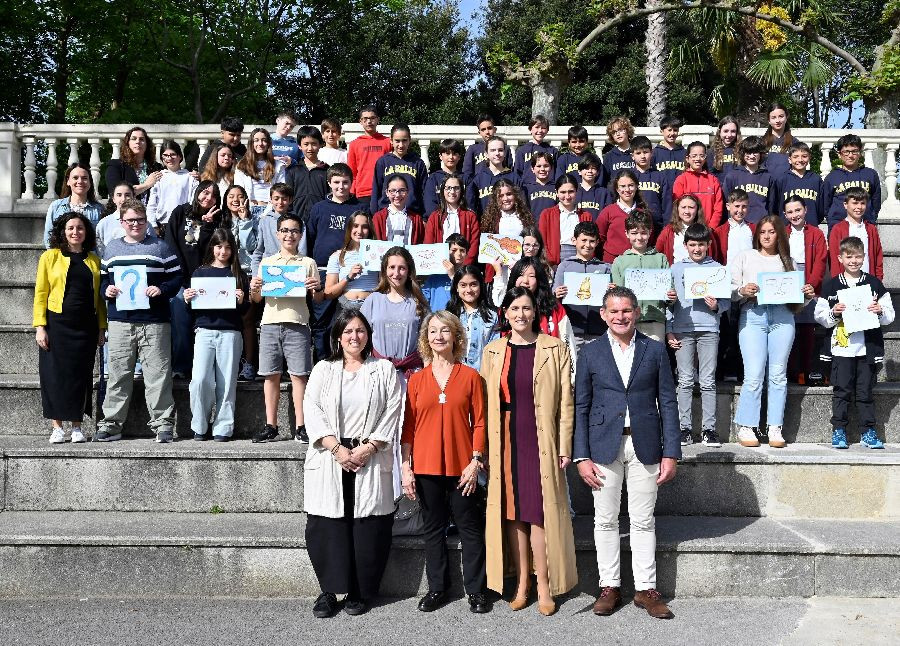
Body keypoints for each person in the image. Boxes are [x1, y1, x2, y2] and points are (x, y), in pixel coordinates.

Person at [574, 286, 680, 620]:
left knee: (643, 519)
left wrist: (671, 451)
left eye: (626, 311)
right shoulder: (590, 353)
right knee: (605, 519)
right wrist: (581, 456)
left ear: (636, 312)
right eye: (614, 311)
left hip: (645, 444)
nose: (620, 317)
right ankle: (609, 586)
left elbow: (668, 402)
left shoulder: (655, 350)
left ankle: (646, 589)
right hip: (602, 445)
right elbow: (581, 406)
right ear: (604, 315)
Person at [481, 287, 577, 616]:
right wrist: (483, 449)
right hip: (505, 437)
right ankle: (522, 582)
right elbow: (484, 404)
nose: (520, 314)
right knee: (513, 512)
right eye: (514, 308)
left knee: (538, 512)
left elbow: (566, 402)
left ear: (535, 312)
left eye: (526, 308)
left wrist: (565, 446)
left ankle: (544, 584)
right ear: (505, 313)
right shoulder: (493, 351)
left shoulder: (555, 347)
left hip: (540, 438)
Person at [303, 309, 401, 618]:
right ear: (338, 337)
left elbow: (393, 409)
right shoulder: (323, 369)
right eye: (348, 331)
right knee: (327, 524)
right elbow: (312, 408)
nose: (354, 336)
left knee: (368, 525)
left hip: (369, 453)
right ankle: (329, 590)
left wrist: (369, 447)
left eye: (360, 330)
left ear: (368, 335)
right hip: (331, 455)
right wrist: (336, 449)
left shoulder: (383, 369)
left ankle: (360, 590)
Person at [401, 310, 490, 614]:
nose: (438, 336)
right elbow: (408, 428)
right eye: (433, 331)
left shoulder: (470, 376)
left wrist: (475, 460)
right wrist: (406, 466)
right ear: (426, 339)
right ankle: (437, 588)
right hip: (426, 466)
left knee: (469, 527)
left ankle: (476, 590)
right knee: (433, 528)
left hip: (462, 466)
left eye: (445, 331)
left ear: (456, 336)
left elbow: (480, 422)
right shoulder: (416, 380)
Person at [96, 199, 182, 443]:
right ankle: (111, 424)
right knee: (118, 374)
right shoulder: (111, 248)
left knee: (158, 374)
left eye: (140, 220)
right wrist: (107, 290)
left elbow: (176, 278)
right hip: (120, 321)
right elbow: (103, 280)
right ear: (122, 222)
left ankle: (163, 424)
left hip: (155, 322)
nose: (136, 224)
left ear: (147, 221)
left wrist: (162, 289)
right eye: (131, 220)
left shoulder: (161, 247)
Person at [731, 215, 814, 448]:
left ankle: (775, 426)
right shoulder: (745, 257)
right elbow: (729, 289)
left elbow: (797, 303)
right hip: (753, 315)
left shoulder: (789, 261)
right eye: (762, 232)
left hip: (783, 317)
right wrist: (742, 290)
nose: (766, 236)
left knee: (778, 374)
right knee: (754, 373)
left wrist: (806, 296)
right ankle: (747, 425)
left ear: (779, 234)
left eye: (771, 231)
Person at [361, 247, 430, 496]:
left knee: (406, 430)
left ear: (409, 271)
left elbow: (427, 342)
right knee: (380, 428)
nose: (396, 273)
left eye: (402, 268)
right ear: (384, 270)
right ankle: (380, 491)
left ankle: (405, 489)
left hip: (410, 374)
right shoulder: (373, 300)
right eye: (392, 267)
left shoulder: (418, 303)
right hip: (379, 375)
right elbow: (361, 337)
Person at [250, 211, 323, 444]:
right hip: (270, 323)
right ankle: (271, 425)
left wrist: (317, 288)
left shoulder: (308, 263)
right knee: (270, 375)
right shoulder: (267, 262)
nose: (289, 235)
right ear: (277, 233)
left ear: (300, 235)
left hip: (298, 323)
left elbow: (318, 299)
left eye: (294, 231)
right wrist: (254, 288)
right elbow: (256, 299)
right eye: (285, 230)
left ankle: (301, 427)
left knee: (299, 376)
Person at [814, 236, 894, 450]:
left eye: (858, 257)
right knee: (841, 390)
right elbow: (820, 316)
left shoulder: (874, 284)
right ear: (840, 258)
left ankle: (868, 431)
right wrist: (833, 312)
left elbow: (890, 316)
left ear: (864, 257)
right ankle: (839, 430)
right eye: (849, 257)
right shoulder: (832, 285)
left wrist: (880, 311)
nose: (854, 261)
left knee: (865, 392)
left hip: (866, 349)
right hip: (842, 349)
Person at [34, 212, 106, 443]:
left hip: (85, 327)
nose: (76, 232)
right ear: (63, 232)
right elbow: (41, 293)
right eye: (71, 228)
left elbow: (99, 299)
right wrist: (40, 326)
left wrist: (101, 328)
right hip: (56, 325)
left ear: (86, 232)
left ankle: (77, 426)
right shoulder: (50, 257)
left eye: (80, 228)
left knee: (81, 376)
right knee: (54, 376)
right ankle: (57, 427)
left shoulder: (94, 260)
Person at [665, 223, 730, 447]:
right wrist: (669, 329)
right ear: (685, 245)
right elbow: (667, 304)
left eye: (701, 244)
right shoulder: (675, 269)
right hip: (682, 329)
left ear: (709, 244)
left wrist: (716, 306)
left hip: (709, 328)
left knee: (708, 380)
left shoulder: (718, 268)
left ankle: (709, 430)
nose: (697, 249)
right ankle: (684, 428)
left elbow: (726, 303)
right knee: (684, 380)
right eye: (692, 245)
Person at [183, 228, 248, 441]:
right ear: (212, 247)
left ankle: (223, 427)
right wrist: (187, 299)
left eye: (228, 247)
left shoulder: (238, 274)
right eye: (219, 246)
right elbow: (192, 310)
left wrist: (241, 300)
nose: (223, 251)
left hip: (230, 332)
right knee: (199, 380)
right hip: (204, 331)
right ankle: (199, 425)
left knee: (227, 383)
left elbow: (246, 311)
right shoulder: (200, 273)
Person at [307, 163, 368, 358]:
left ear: (352, 183)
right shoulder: (319, 208)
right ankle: (322, 360)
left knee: (351, 322)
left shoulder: (359, 207)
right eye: (336, 182)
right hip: (324, 269)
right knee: (321, 321)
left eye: (345, 182)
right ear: (329, 183)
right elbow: (310, 238)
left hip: (353, 271)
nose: (341, 186)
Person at [166, 181, 224, 378]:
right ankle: (181, 367)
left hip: (206, 282)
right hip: (181, 280)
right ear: (197, 192)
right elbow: (172, 243)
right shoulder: (181, 212)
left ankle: (205, 369)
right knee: (180, 320)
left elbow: (210, 252)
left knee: (205, 326)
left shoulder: (218, 219)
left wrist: (207, 226)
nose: (208, 198)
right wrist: (182, 277)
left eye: (214, 195)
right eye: (205, 192)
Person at [783, 196, 827, 384]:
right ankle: (791, 372)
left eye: (798, 210)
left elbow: (820, 261)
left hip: (808, 282)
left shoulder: (816, 233)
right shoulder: (782, 233)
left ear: (805, 210)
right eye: (790, 212)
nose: (794, 215)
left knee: (807, 328)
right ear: (785, 214)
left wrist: (811, 284)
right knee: (789, 327)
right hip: (787, 280)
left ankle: (806, 371)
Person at [712, 189, 755, 382]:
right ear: (728, 206)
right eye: (736, 206)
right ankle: (722, 372)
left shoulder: (752, 229)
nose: (740, 210)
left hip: (747, 289)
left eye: (744, 206)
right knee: (725, 329)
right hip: (726, 287)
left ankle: (741, 372)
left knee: (743, 330)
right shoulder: (719, 231)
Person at [611, 210, 670, 341]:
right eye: (634, 233)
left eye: (643, 233)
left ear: (650, 232)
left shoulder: (660, 258)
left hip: (655, 319)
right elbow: (618, 296)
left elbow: (669, 294)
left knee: (654, 353)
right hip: (628, 321)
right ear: (626, 233)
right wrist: (613, 291)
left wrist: (671, 296)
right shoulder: (619, 261)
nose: (639, 237)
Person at [507, 257, 576, 364]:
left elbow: (568, 344)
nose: (525, 281)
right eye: (521, 275)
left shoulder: (554, 308)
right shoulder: (506, 307)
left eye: (531, 276)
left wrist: (569, 372)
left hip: (549, 367)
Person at [552, 221, 611, 346]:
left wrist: (612, 291)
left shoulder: (604, 268)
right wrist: (556, 293)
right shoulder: (565, 266)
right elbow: (554, 293)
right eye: (583, 240)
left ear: (597, 242)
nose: (587, 245)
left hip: (598, 329)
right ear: (574, 240)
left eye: (592, 241)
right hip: (572, 328)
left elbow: (611, 301)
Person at [223, 184, 260, 381]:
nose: (235, 200)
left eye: (240, 196)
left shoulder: (254, 220)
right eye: (231, 196)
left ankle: (249, 363)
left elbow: (251, 246)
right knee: (228, 319)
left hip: (247, 274)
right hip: (226, 274)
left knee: (248, 319)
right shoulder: (221, 221)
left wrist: (245, 221)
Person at [823, 134, 882, 230]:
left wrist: (871, 219)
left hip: (865, 226)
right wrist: (833, 222)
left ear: (860, 152)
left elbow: (876, 202)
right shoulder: (831, 177)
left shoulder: (870, 174)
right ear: (839, 154)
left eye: (854, 151)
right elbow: (825, 205)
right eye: (846, 152)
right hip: (839, 228)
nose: (850, 155)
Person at [446, 265, 499, 371]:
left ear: (480, 286)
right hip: (453, 373)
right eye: (463, 285)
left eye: (473, 284)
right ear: (456, 287)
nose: (469, 290)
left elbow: (494, 350)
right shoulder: (449, 315)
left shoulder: (491, 316)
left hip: (482, 374)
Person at [324, 211, 379, 311]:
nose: (359, 231)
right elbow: (328, 294)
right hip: (345, 306)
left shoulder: (378, 254)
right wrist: (348, 277)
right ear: (350, 228)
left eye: (364, 227)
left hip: (372, 307)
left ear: (370, 230)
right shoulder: (337, 256)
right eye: (355, 226)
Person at [370, 124, 428, 215]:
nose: (401, 145)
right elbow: (376, 190)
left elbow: (424, 192)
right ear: (391, 141)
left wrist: (425, 216)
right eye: (397, 141)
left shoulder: (418, 163)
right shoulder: (383, 162)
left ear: (409, 140)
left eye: (404, 140)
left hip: (412, 213)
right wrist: (374, 214)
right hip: (387, 214)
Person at [828, 187, 883, 281]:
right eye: (855, 203)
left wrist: (878, 280)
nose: (859, 207)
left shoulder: (871, 229)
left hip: (868, 280)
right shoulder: (837, 230)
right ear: (845, 205)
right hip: (845, 283)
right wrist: (838, 283)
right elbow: (834, 260)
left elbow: (878, 257)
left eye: (863, 203)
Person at [44, 163, 105, 248]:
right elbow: (48, 239)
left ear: (90, 182)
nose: (80, 181)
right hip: (61, 255)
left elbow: (101, 240)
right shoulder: (56, 207)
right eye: (75, 178)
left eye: (84, 178)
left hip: (90, 255)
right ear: (68, 181)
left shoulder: (99, 209)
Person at [423, 174, 480, 265]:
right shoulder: (434, 217)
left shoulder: (470, 216)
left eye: (456, 188)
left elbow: (474, 245)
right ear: (443, 190)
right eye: (448, 188)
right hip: (440, 266)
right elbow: (428, 245)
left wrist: (464, 267)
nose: (452, 192)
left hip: (465, 268)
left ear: (461, 191)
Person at [537, 175, 592, 267]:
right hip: (554, 261)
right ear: (556, 193)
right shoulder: (547, 214)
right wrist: (550, 262)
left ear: (576, 191)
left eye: (571, 191)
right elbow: (542, 241)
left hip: (581, 258)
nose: (567, 196)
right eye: (563, 192)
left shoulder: (586, 216)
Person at [596, 169, 647, 263]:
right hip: (612, 262)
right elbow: (599, 238)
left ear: (636, 186)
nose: (627, 190)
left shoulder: (644, 213)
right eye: (623, 186)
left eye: (631, 185)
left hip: (638, 262)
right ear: (617, 189)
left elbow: (649, 238)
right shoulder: (607, 212)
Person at [490, 226, 550, 305]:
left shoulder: (545, 267)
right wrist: (499, 272)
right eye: (527, 245)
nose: (531, 249)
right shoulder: (508, 267)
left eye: (535, 245)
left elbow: (547, 295)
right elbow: (498, 301)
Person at [234, 128, 286, 218]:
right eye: (256, 140)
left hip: (270, 210)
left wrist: (269, 209)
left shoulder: (278, 165)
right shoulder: (242, 165)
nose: (260, 144)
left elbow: (280, 190)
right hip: (248, 209)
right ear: (251, 143)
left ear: (268, 143)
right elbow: (238, 190)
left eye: (264, 140)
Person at [146, 140, 198, 231]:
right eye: (165, 155)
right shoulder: (158, 177)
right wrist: (153, 225)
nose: (169, 158)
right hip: (162, 224)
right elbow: (152, 204)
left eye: (173, 154)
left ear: (180, 156)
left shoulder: (190, 177)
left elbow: (193, 202)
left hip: (183, 223)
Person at [723, 135, 774, 224]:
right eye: (748, 152)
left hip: (761, 224)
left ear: (761, 154)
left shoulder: (768, 177)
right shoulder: (732, 176)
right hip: (738, 224)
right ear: (743, 154)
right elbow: (726, 202)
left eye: (755, 152)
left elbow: (771, 205)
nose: (752, 156)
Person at [655, 194, 718, 265]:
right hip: (677, 270)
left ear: (697, 209)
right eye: (683, 207)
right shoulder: (668, 231)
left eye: (691, 207)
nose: (687, 211)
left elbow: (714, 255)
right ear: (677, 209)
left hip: (701, 270)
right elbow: (658, 253)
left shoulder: (706, 231)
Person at [671, 141, 724, 227]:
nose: (698, 159)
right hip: (687, 229)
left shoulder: (713, 180)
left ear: (705, 158)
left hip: (709, 229)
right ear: (687, 159)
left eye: (701, 155)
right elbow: (677, 206)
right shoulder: (681, 180)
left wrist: (711, 228)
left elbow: (718, 207)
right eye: (694, 156)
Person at [105, 127, 163, 201]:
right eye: (134, 139)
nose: (138, 142)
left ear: (147, 144)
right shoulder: (115, 166)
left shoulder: (156, 167)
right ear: (128, 143)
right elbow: (116, 193)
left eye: (141, 139)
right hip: (125, 208)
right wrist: (146, 185)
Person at [346, 105, 392, 200]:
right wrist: (351, 192)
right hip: (362, 193)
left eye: (372, 118)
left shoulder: (387, 142)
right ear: (360, 121)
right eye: (365, 119)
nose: (369, 121)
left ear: (378, 119)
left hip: (384, 192)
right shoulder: (355, 144)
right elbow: (351, 172)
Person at [285, 125, 329, 224]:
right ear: (299, 146)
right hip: (296, 220)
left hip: (321, 219)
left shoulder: (326, 170)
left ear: (320, 144)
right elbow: (288, 195)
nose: (310, 148)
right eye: (306, 144)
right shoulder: (293, 170)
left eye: (314, 144)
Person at [774, 143, 825, 226]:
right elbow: (775, 207)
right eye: (796, 157)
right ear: (789, 159)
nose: (800, 160)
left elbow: (821, 208)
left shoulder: (816, 179)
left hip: (811, 226)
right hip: (787, 228)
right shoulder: (781, 180)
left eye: (804, 156)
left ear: (809, 158)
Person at [631, 136, 671, 240]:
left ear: (651, 153)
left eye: (645, 152)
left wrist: (667, 228)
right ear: (632, 156)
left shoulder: (660, 177)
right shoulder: (629, 177)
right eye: (638, 153)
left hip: (657, 227)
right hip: (634, 228)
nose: (643, 156)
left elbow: (667, 205)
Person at [466, 136, 519, 216]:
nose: (497, 153)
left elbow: (521, 206)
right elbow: (471, 208)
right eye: (493, 150)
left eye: (500, 150)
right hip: (484, 222)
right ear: (486, 154)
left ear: (505, 153)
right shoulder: (478, 179)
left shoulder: (514, 178)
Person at [371, 174, 425, 245]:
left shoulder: (416, 220)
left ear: (407, 192)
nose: (397, 195)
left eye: (402, 190)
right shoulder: (378, 218)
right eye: (393, 191)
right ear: (387, 193)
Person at [422, 234, 468, 312]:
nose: (459, 254)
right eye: (454, 250)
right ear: (447, 251)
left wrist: (453, 276)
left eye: (462, 250)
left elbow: (467, 297)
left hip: (458, 318)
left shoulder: (468, 275)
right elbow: (422, 299)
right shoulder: (435, 277)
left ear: (466, 254)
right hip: (437, 317)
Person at [461, 114, 512, 185]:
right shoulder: (473, 149)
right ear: (479, 133)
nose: (487, 132)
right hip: (480, 186)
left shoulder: (504, 148)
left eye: (489, 128)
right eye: (483, 129)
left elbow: (509, 170)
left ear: (495, 129)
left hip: (500, 185)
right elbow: (467, 173)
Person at [423, 138, 464, 217]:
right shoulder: (433, 178)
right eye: (447, 153)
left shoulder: (466, 178)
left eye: (454, 154)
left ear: (459, 156)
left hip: (461, 219)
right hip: (439, 220)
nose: (451, 157)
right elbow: (429, 204)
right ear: (440, 156)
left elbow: (470, 202)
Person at [762, 102, 803, 180]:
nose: (777, 120)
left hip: (788, 183)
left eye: (781, 116)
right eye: (773, 117)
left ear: (786, 117)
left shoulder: (794, 142)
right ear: (769, 120)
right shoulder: (762, 142)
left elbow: (799, 165)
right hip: (766, 183)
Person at [514, 114, 557, 184]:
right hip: (527, 187)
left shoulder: (553, 151)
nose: (540, 130)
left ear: (547, 130)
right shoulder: (522, 150)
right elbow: (517, 173)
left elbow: (557, 173)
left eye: (543, 128)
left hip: (549, 187)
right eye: (537, 127)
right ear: (530, 129)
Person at [575, 153, 613, 219]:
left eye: (593, 168)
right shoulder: (573, 191)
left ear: (597, 172)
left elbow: (609, 215)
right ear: (579, 171)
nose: (590, 171)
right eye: (586, 168)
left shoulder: (604, 193)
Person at [522, 151, 558, 221]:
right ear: (532, 169)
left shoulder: (556, 187)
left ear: (551, 168)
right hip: (533, 226)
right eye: (538, 166)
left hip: (552, 224)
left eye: (546, 166)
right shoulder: (526, 189)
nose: (542, 169)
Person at [651, 116, 685, 187]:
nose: (672, 133)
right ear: (662, 131)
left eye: (675, 130)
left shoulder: (684, 153)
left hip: (681, 191)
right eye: (669, 130)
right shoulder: (654, 153)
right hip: (661, 190)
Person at [707, 116, 741, 180]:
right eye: (726, 131)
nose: (729, 135)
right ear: (719, 132)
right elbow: (710, 175)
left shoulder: (742, 150)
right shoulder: (711, 152)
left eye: (733, 131)